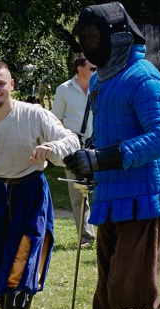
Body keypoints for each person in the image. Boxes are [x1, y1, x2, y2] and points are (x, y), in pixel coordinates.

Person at [64, 3, 160, 309]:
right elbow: (109, 132)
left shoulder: (143, 76)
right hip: (111, 198)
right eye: (84, 37)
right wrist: (87, 158)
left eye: (94, 36)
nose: (88, 43)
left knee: (134, 297)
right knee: (108, 300)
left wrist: (102, 158)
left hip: (144, 199)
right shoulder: (100, 80)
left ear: (117, 35)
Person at [0, 60, 80, 309]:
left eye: (1, 83)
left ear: (11, 85)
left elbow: (71, 141)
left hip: (30, 194)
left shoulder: (35, 114)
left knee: (21, 266)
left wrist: (51, 147)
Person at [51, 53, 96, 248]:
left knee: (104, 188)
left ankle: (109, 233)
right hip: (74, 146)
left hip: (100, 144)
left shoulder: (102, 85)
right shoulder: (64, 89)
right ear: (80, 69)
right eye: (93, 68)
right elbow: (55, 120)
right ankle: (86, 236)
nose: (97, 71)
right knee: (78, 193)